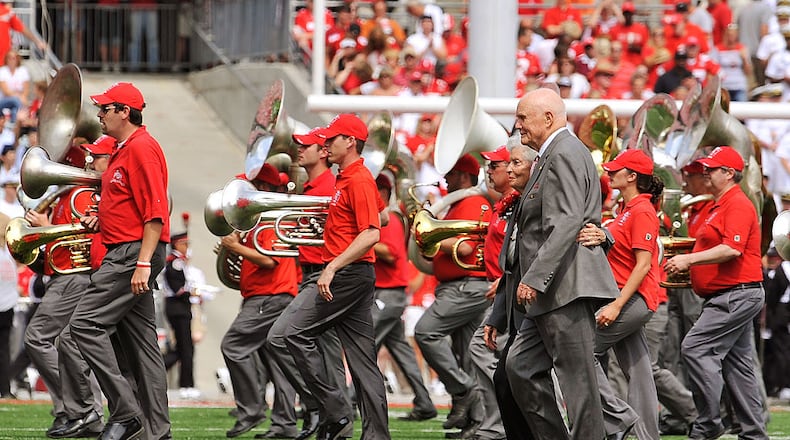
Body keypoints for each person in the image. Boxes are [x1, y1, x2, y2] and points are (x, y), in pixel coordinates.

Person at [505, 88, 620, 440]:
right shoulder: (552, 153)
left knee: (578, 385)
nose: (518, 124)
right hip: (552, 290)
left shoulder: (564, 152)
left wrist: (535, 277)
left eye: (524, 117)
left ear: (549, 118)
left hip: (565, 286)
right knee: (520, 365)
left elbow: (568, 220)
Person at [69, 82, 172, 440]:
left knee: (83, 326)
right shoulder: (127, 149)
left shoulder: (141, 148)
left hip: (131, 255)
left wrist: (143, 262)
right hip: (129, 250)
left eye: (105, 108)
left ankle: (126, 412)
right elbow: (130, 205)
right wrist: (103, 219)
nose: (99, 114)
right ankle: (158, 432)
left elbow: (156, 210)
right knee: (144, 348)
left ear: (124, 112)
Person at [279, 114, 390, 440]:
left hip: (346, 275)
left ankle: (334, 409)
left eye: (332, 139)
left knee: (289, 333)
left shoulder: (357, 179)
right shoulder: (350, 177)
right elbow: (379, 215)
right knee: (363, 363)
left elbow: (372, 233)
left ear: (350, 142)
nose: (326, 145)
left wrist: (331, 266)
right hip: (352, 274)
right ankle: (375, 435)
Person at [663, 146, 768, 440]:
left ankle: (709, 423)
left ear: (730, 173)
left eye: (712, 168)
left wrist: (688, 260)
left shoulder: (736, 204)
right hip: (731, 294)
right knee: (738, 365)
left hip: (735, 294)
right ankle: (754, 434)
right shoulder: (719, 204)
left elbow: (731, 249)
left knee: (694, 348)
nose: (706, 172)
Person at [23, 135, 114, 439]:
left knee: (39, 338)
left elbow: (86, 240)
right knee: (68, 344)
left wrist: (43, 228)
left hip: (74, 278)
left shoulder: (83, 195)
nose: (88, 162)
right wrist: (43, 231)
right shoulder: (68, 196)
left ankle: (79, 407)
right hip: (64, 276)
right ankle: (74, 409)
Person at [267, 127, 353, 440]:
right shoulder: (311, 187)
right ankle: (332, 416)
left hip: (324, 274)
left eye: (307, 146)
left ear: (323, 153)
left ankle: (330, 411)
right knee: (321, 351)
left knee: (282, 339)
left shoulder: (328, 186)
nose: (298, 150)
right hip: (312, 274)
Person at [577, 149, 664, 440]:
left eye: (617, 170)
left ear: (632, 176)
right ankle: (646, 435)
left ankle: (619, 419)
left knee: (579, 353)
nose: (610, 173)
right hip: (629, 297)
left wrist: (616, 305)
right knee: (639, 372)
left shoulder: (641, 211)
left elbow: (643, 266)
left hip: (632, 298)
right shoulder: (627, 210)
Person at [219, 164, 299, 439]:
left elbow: (270, 260)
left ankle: (251, 409)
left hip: (270, 296)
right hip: (268, 296)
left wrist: (236, 247)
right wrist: (233, 252)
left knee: (233, 346)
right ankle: (285, 424)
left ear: (263, 189)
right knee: (278, 362)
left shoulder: (268, 218)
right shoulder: (257, 220)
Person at [414, 153, 492, 435]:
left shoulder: (473, 202)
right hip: (459, 286)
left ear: (465, 176)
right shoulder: (457, 204)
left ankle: (463, 389)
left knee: (425, 332)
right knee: (468, 355)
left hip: (466, 285)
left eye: (452, 174)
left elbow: (467, 249)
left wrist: (431, 238)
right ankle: (476, 422)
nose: (446, 179)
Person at [372, 173, 437, 422]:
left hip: (388, 292)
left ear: (383, 193)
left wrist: (360, 240)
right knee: (401, 351)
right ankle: (424, 403)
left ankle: (350, 398)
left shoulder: (388, 219)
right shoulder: (384, 218)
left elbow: (391, 253)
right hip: (388, 292)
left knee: (366, 345)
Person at [484, 142, 537, 440]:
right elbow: (511, 267)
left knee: (519, 377)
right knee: (506, 378)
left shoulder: (536, 201)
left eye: (514, 163)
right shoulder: (512, 204)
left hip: (543, 307)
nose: (506, 168)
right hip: (517, 309)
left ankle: (618, 421)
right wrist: (497, 316)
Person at [467, 145, 521, 440]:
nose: (489, 171)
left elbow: (521, 250)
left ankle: (501, 421)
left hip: (510, 290)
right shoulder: (503, 205)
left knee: (482, 347)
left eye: (495, 165)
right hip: (502, 290)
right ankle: (498, 422)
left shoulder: (517, 203)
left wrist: (504, 280)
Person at [161, 231, 199, 400]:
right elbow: (178, 289)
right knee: (186, 348)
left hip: (179, 308)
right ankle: (186, 385)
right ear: (177, 244)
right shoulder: (175, 263)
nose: (187, 248)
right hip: (178, 308)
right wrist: (193, 292)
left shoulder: (179, 262)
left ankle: (158, 371)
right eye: (185, 244)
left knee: (182, 348)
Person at [0, 0, 46, 67]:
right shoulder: (7, 12)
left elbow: (22, 28)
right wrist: (38, 42)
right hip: (3, 56)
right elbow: (23, 29)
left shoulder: (7, 13)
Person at [0, 213, 16, 399]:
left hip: (3, 305)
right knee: (4, 351)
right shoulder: (8, 256)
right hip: (9, 306)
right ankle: (5, 388)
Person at [128, 0, 160, 72]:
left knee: (152, 40)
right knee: (135, 40)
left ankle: (153, 67)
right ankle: (134, 66)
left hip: (151, 9)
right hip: (136, 9)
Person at [0, 50, 28, 123]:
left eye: (14, 58)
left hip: (19, 100)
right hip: (4, 100)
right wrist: (19, 96)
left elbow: (26, 90)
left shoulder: (23, 71)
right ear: (6, 59)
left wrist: (23, 97)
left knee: (15, 110)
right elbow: (6, 91)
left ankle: (14, 126)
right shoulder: (2, 71)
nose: (12, 60)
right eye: (9, 58)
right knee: (16, 100)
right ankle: (21, 120)